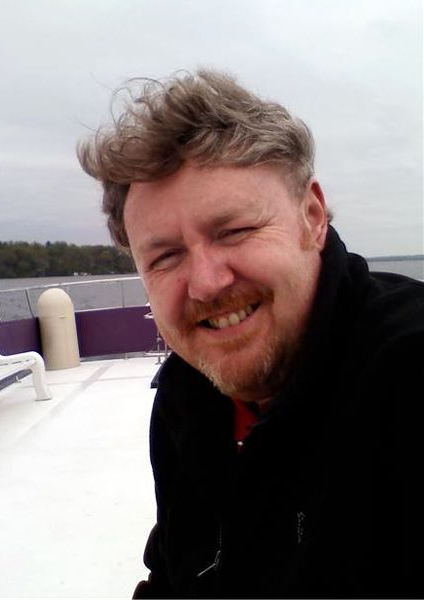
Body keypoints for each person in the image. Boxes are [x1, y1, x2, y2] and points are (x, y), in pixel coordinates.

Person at [78, 69, 424, 599]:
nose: (207, 283)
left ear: (312, 217)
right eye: (166, 256)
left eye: (234, 231)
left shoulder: (406, 371)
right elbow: (174, 575)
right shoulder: (186, 397)